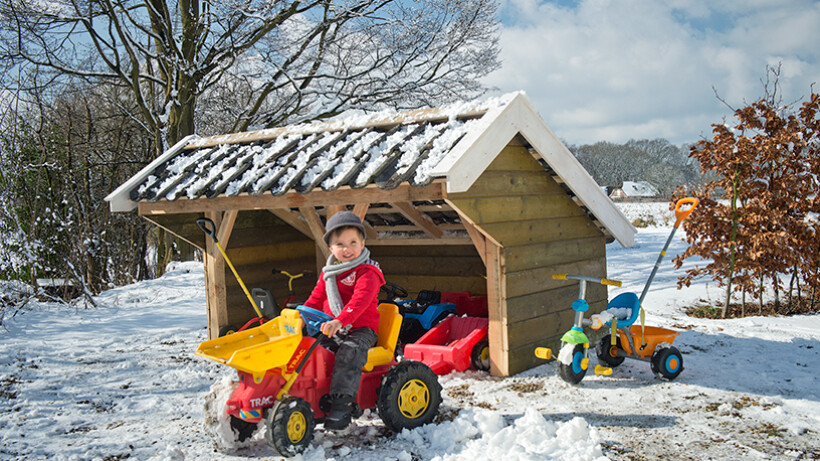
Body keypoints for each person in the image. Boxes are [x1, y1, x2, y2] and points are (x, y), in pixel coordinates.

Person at [301, 211, 385, 431]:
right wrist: (301, 317)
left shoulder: (368, 272)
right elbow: (316, 298)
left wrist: (340, 320)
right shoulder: (329, 273)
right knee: (311, 350)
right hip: (332, 327)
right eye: (340, 244)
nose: (347, 249)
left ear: (363, 243)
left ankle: (341, 405)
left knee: (348, 352)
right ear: (331, 248)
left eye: (353, 242)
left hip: (361, 330)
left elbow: (359, 301)